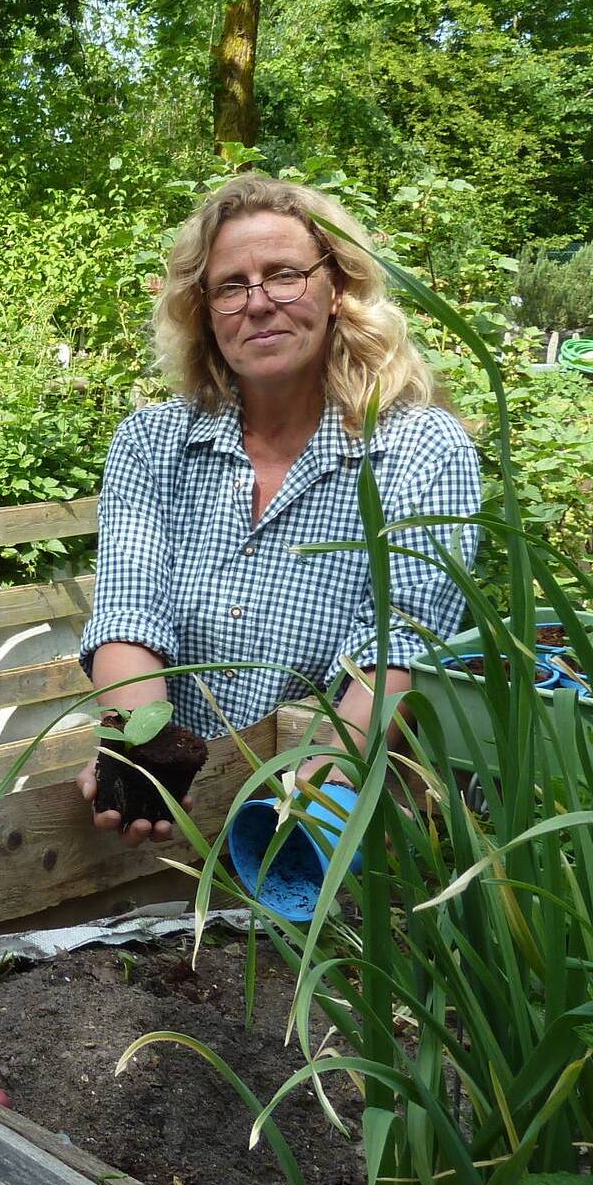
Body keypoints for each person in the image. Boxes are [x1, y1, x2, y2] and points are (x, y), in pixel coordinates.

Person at [79, 174, 482, 843]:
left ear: (338, 289)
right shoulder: (152, 442)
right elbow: (130, 613)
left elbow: (395, 652)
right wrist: (142, 751)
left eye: (285, 275)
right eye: (231, 286)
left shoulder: (416, 446)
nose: (258, 302)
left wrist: (302, 805)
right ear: (203, 310)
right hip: (176, 821)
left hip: (334, 814)